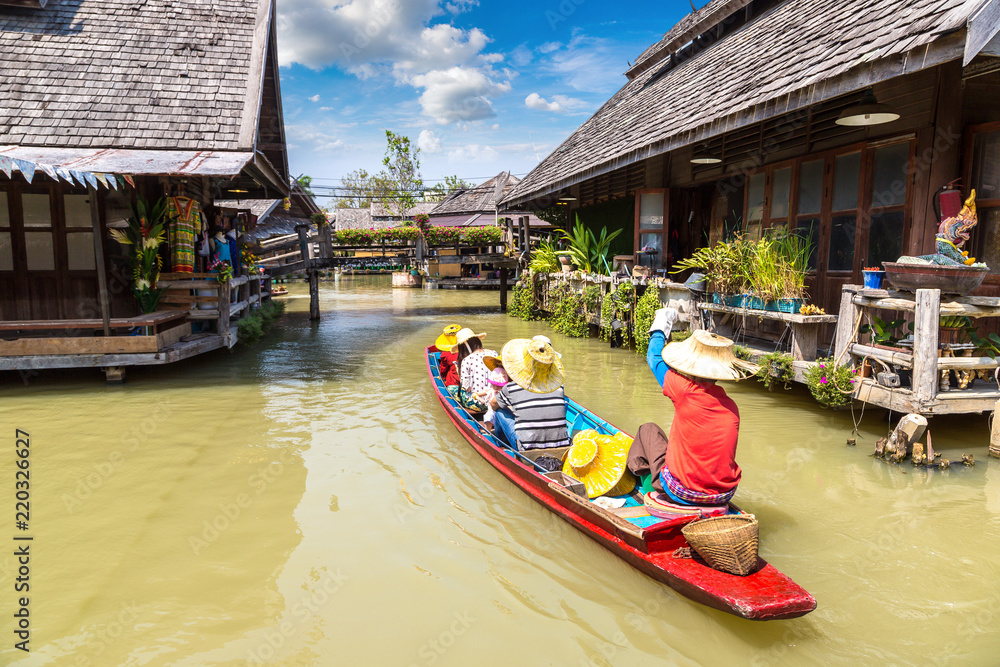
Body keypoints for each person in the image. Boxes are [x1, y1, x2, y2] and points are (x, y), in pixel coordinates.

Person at [627, 309, 758, 506]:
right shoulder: (731, 407)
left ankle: (649, 489)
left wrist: (662, 322)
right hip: (723, 494)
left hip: (683, 493)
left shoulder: (685, 391)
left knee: (648, 430)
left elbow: (654, 357)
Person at [492, 337, 570, 451]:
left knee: (499, 411)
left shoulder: (511, 387)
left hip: (527, 448)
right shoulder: (559, 386)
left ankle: (501, 445)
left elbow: (493, 404)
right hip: (562, 445)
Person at [455, 328, 492, 412]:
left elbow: (467, 388)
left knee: (451, 388)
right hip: (494, 400)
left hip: (478, 403)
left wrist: (459, 373)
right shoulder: (494, 353)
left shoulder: (466, 360)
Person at [476, 356, 508, 431]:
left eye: (499, 387)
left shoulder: (506, 392)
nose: (496, 388)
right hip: (491, 414)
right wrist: (479, 398)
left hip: (501, 414)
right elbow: (475, 394)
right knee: (489, 415)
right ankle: (487, 430)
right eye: (494, 385)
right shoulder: (490, 391)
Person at [434, 324, 462, 389]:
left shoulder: (446, 354)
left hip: (455, 384)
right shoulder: (470, 349)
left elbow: (443, 369)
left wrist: (442, 378)